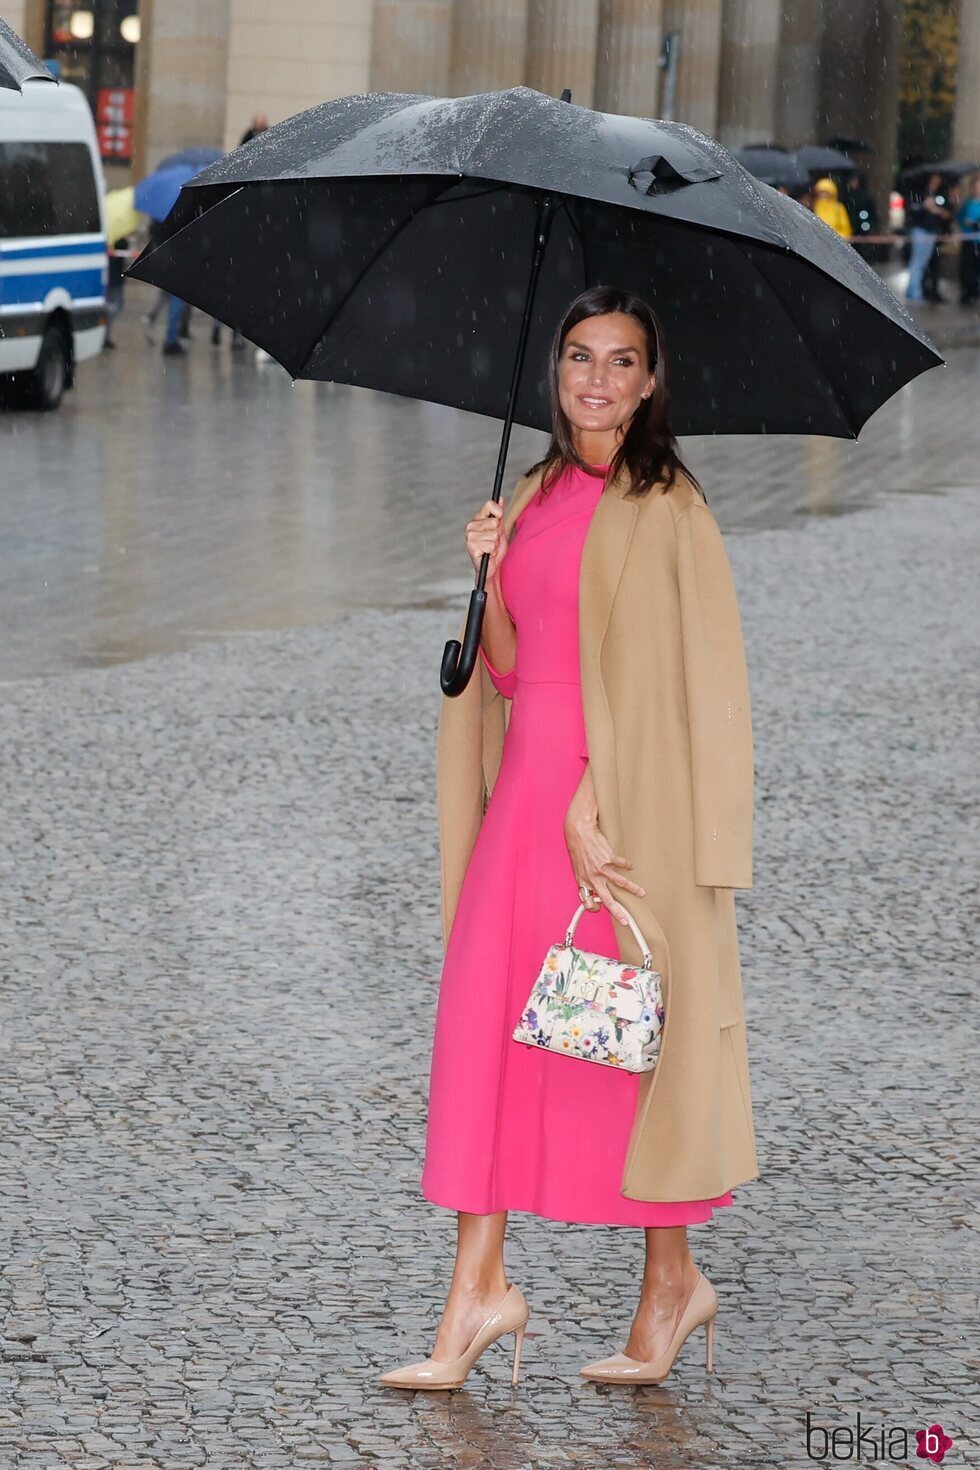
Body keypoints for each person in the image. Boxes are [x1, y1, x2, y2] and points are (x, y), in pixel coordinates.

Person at [381, 286, 756, 1391]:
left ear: (649, 382)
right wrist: (488, 569)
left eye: (620, 360)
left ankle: (670, 1284)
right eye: (578, 358)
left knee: (630, 1043)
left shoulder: (667, 505)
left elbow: (683, 684)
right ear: (556, 374)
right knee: (492, 1036)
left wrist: (602, 796)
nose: (595, 379)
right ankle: (477, 1294)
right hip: (527, 804)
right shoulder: (535, 491)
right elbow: (508, 665)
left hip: (620, 813)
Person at [905, 172, 951, 302]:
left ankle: (913, 289)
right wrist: (925, 207)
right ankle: (914, 291)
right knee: (917, 262)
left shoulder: (940, 196)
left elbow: (946, 213)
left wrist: (937, 209)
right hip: (921, 231)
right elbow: (913, 210)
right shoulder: (921, 194)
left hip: (932, 232)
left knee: (923, 262)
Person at [956, 171, 980, 306]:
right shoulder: (968, 204)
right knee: (968, 268)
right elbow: (960, 218)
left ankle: (975, 291)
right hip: (969, 241)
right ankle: (967, 293)